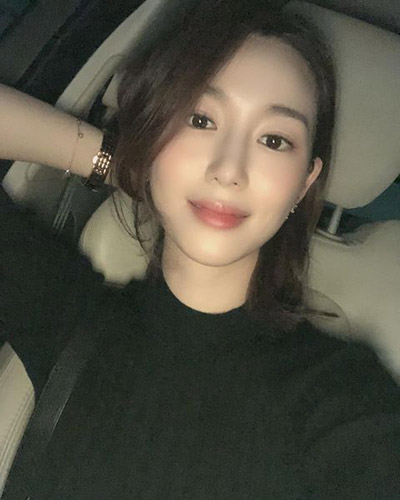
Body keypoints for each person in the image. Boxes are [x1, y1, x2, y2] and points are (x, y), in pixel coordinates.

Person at [1, 1, 400, 498]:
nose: (229, 169)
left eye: (274, 140)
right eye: (200, 118)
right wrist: (125, 163)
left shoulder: (343, 398)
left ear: (304, 183)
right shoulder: (69, 317)